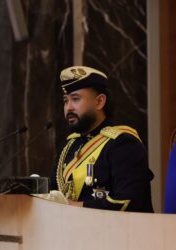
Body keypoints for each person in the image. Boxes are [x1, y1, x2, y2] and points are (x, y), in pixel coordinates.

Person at [50, 66, 154, 212]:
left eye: (75, 99)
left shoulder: (123, 143)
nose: (69, 108)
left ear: (99, 102)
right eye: (66, 101)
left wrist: (73, 206)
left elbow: (128, 203)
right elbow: (53, 196)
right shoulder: (69, 146)